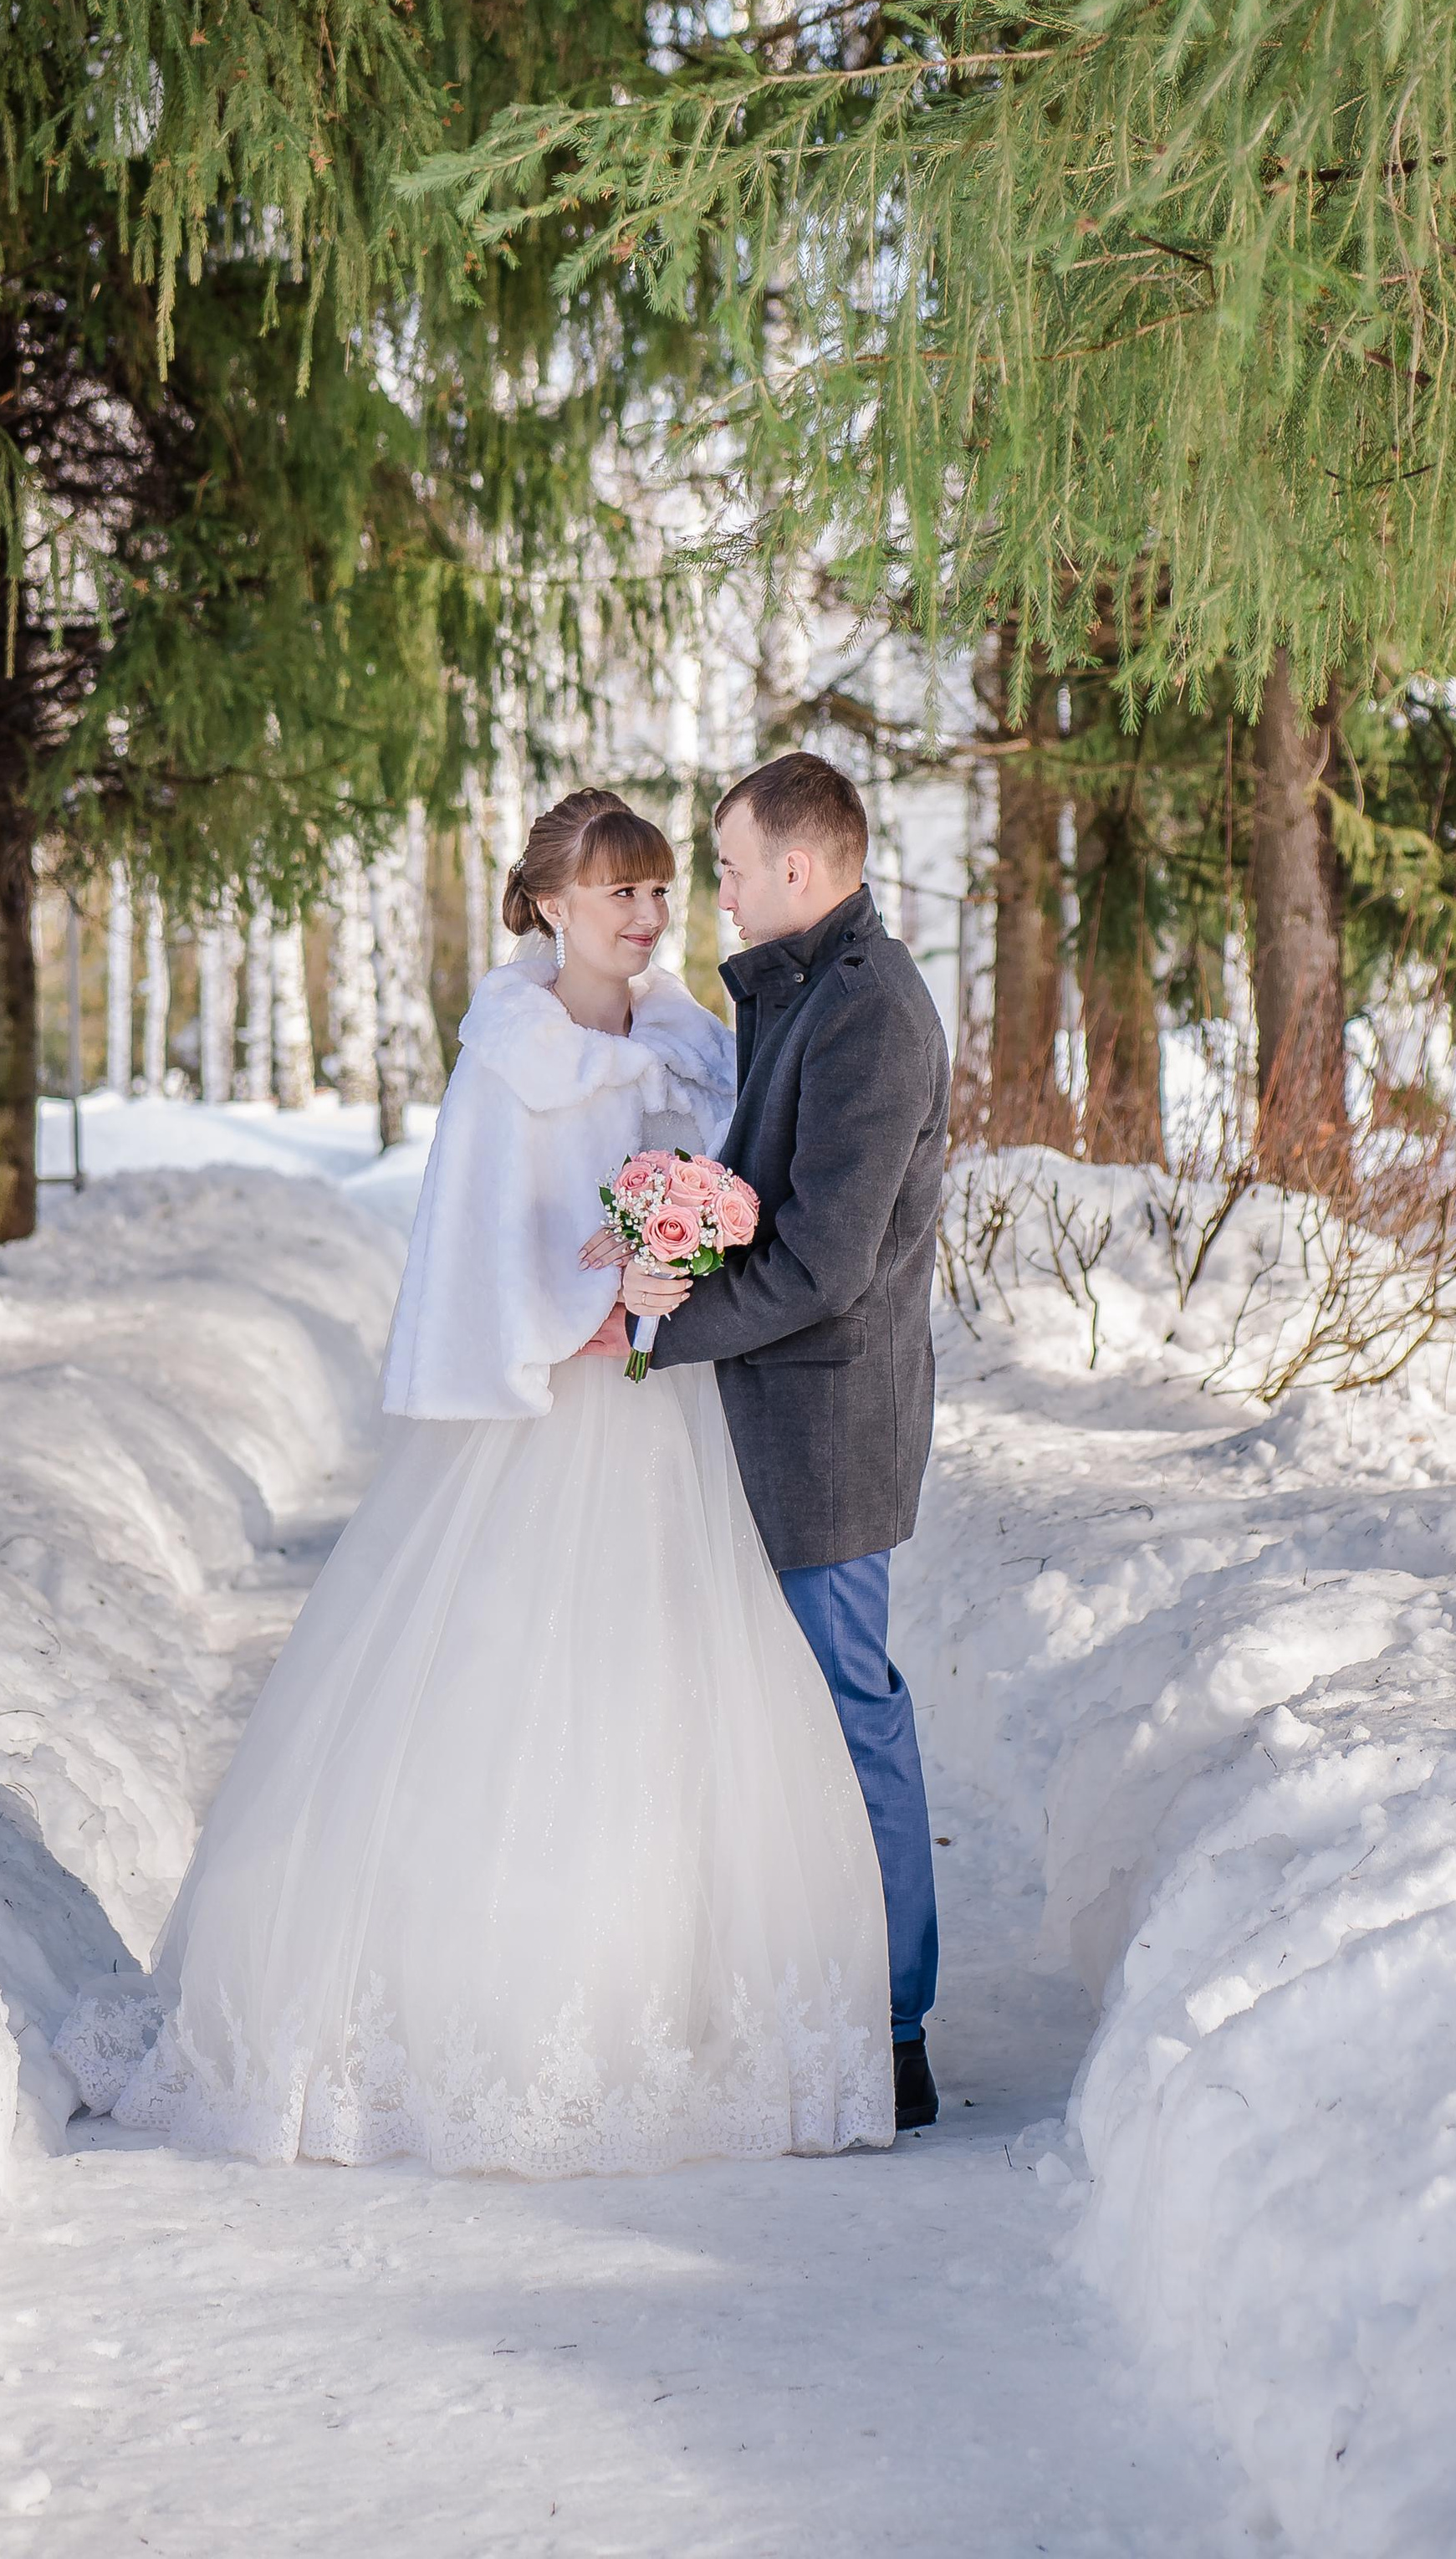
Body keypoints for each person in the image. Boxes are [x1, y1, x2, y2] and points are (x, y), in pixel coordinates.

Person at [54, 789, 893, 2175]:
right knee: (508, 1687)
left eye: (660, 889)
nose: (647, 916)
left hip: (672, 1414)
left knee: (677, 1698)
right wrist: (600, 1299)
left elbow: (737, 1200)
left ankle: (673, 2006)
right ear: (552, 904)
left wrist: (686, 1264)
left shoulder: (694, 1044)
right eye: (618, 892)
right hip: (546, 1415)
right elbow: (481, 1254)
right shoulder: (510, 1061)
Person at [623, 754, 950, 2131]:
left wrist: (657, 1328)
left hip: (828, 1426)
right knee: (782, 1715)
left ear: (800, 869)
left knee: (846, 1710)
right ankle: (810, 1998)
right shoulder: (802, 990)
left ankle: (894, 2027)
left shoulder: (870, 1011)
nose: (721, 889)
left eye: (733, 865)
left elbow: (824, 1262)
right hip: (775, 1411)